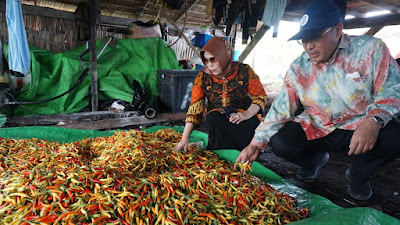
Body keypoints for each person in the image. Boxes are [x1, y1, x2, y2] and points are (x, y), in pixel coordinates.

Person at [236, 0, 400, 201]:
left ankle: (359, 174)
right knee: (280, 141)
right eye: (304, 40)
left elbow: (392, 89)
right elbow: (280, 109)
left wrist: (374, 121)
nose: (308, 46)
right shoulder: (299, 68)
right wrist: (255, 143)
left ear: (338, 30)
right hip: (319, 126)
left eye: (315, 37)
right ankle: (312, 161)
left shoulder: (371, 49)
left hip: (360, 126)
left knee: (394, 138)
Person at [174, 36, 267, 152]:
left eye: (213, 59)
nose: (210, 65)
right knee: (213, 119)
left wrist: (247, 113)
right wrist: (184, 138)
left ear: (223, 56)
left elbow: (260, 96)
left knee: (253, 123)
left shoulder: (244, 71)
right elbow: (194, 109)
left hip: (244, 118)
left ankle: (249, 151)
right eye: (206, 60)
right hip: (219, 121)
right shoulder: (203, 77)